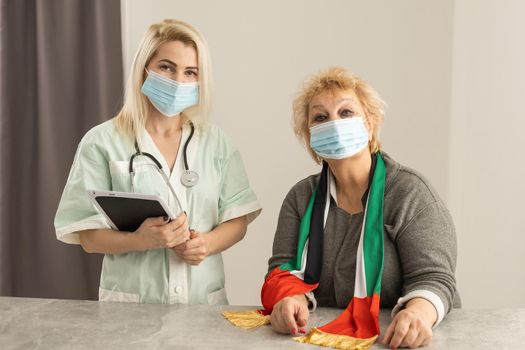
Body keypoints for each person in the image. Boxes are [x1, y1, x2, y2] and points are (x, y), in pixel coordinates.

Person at [54, 19, 261, 305]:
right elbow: (87, 236)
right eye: (167, 67)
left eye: (190, 72)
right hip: (130, 310)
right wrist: (140, 240)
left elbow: (237, 219)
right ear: (144, 70)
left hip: (202, 306)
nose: (178, 81)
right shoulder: (101, 142)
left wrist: (206, 244)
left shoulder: (217, 143)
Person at [266, 67, 459, 348]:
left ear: (369, 125)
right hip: (321, 338)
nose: (333, 123)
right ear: (311, 138)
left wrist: (418, 313)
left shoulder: (410, 192)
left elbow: (434, 277)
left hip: (400, 340)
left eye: (346, 113)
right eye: (320, 117)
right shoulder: (300, 197)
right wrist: (289, 299)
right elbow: (281, 269)